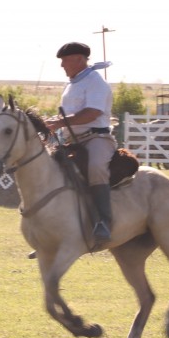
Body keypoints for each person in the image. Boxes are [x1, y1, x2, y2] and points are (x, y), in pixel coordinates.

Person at [44, 42, 115, 244]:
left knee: (95, 168)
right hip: (70, 140)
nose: (62, 66)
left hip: (96, 138)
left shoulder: (95, 82)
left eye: (65, 60)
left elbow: (93, 112)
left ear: (80, 59)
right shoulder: (72, 84)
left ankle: (103, 222)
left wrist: (60, 122)